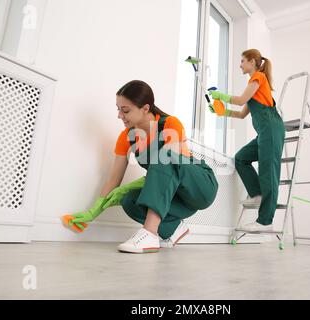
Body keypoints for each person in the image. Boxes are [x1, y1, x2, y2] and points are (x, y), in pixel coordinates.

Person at [66, 80, 218, 253]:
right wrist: (92, 212)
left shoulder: (170, 124)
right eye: (118, 109)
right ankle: (174, 228)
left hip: (200, 186)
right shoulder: (127, 137)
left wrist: (128, 186)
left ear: (145, 108)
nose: (119, 116)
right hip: (177, 199)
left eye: (125, 110)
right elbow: (113, 180)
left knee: (164, 156)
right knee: (129, 200)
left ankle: (149, 234)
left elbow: (167, 163)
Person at [208, 49, 285, 232]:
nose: (240, 65)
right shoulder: (254, 86)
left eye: (242, 61)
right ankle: (257, 194)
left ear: (252, 62)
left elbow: (241, 100)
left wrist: (221, 96)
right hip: (264, 133)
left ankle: (265, 222)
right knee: (241, 158)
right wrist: (222, 112)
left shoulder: (258, 78)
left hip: (272, 129)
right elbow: (242, 114)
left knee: (269, 172)